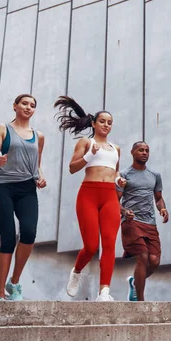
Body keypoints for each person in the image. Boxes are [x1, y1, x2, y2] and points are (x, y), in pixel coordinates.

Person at [54, 96, 124, 302]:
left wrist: (120, 180)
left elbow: (115, 172)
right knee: (92, 246)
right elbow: (72, 168)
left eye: (110, 122)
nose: (106, 125)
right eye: (102, 121)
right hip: (89, 194)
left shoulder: (116, 148)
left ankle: (104, 292)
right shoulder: (87, 142)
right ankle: (76, 272)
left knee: (110, 243)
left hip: (110, 196)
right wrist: (89, 155)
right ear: (93, 123)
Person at [0, 94, 46, 300]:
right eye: (24, 104)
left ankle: (15, 282)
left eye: (32, 105)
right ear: (15, 106)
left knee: (29, 233)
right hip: (3, 188)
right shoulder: (2, 129)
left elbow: (36, 165)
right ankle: (0, 293)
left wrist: (40, 178)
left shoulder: (38, 136)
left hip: (27, 189)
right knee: (9, 238)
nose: (28, 107)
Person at [117, 141, 168, 301]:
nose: (144, 153)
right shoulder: (124, 175)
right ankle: (140, 301)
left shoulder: (155, 175)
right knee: (143, 256)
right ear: (132, 152)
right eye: (141, 150)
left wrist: (162, 209)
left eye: (147, 150)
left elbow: (158, 198)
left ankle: (135, 282)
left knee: (154, 261)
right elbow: (114, 199)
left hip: (150, 223)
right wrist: (125, 211)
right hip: (131, 221)